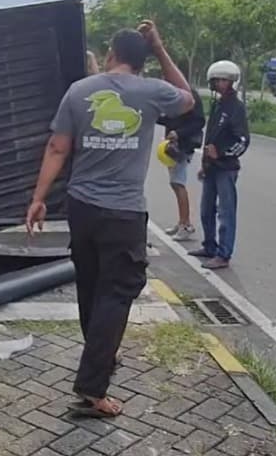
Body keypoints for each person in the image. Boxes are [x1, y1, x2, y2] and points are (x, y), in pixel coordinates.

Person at [25, 21, 194, 417]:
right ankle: (92, 387)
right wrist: (161, 48)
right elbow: (187, 98)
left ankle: (99, 356)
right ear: (142, 60)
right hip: (124, 213)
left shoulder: (80, 91)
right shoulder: (153, 92)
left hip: (81, 208)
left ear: (111, 55)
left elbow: (56, 147)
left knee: (91, 283)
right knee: (117, 292)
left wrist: (38, 199)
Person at [189, 60, 250, 270]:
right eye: (217, 80)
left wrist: (222, 154)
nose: (220, 84)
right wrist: (205, 163)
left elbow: (242, 141)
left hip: (226, 168)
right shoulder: (217, 105)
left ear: (232, 82)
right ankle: (209, 246)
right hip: (211, 168)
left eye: (224, 80)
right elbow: (210, 137)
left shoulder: (236, 107)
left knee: (226, 212)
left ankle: (224, 254)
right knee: (206, 210)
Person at [158, 88, 204, 241]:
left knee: (178, 183)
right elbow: (170, 118)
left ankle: (186, 224)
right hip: (172, 146)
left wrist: (179, 133)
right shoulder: (174, 94)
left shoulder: (189, 95)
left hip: (183, 145)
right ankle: (182, 221)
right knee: (175, 183)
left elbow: (199, 121)